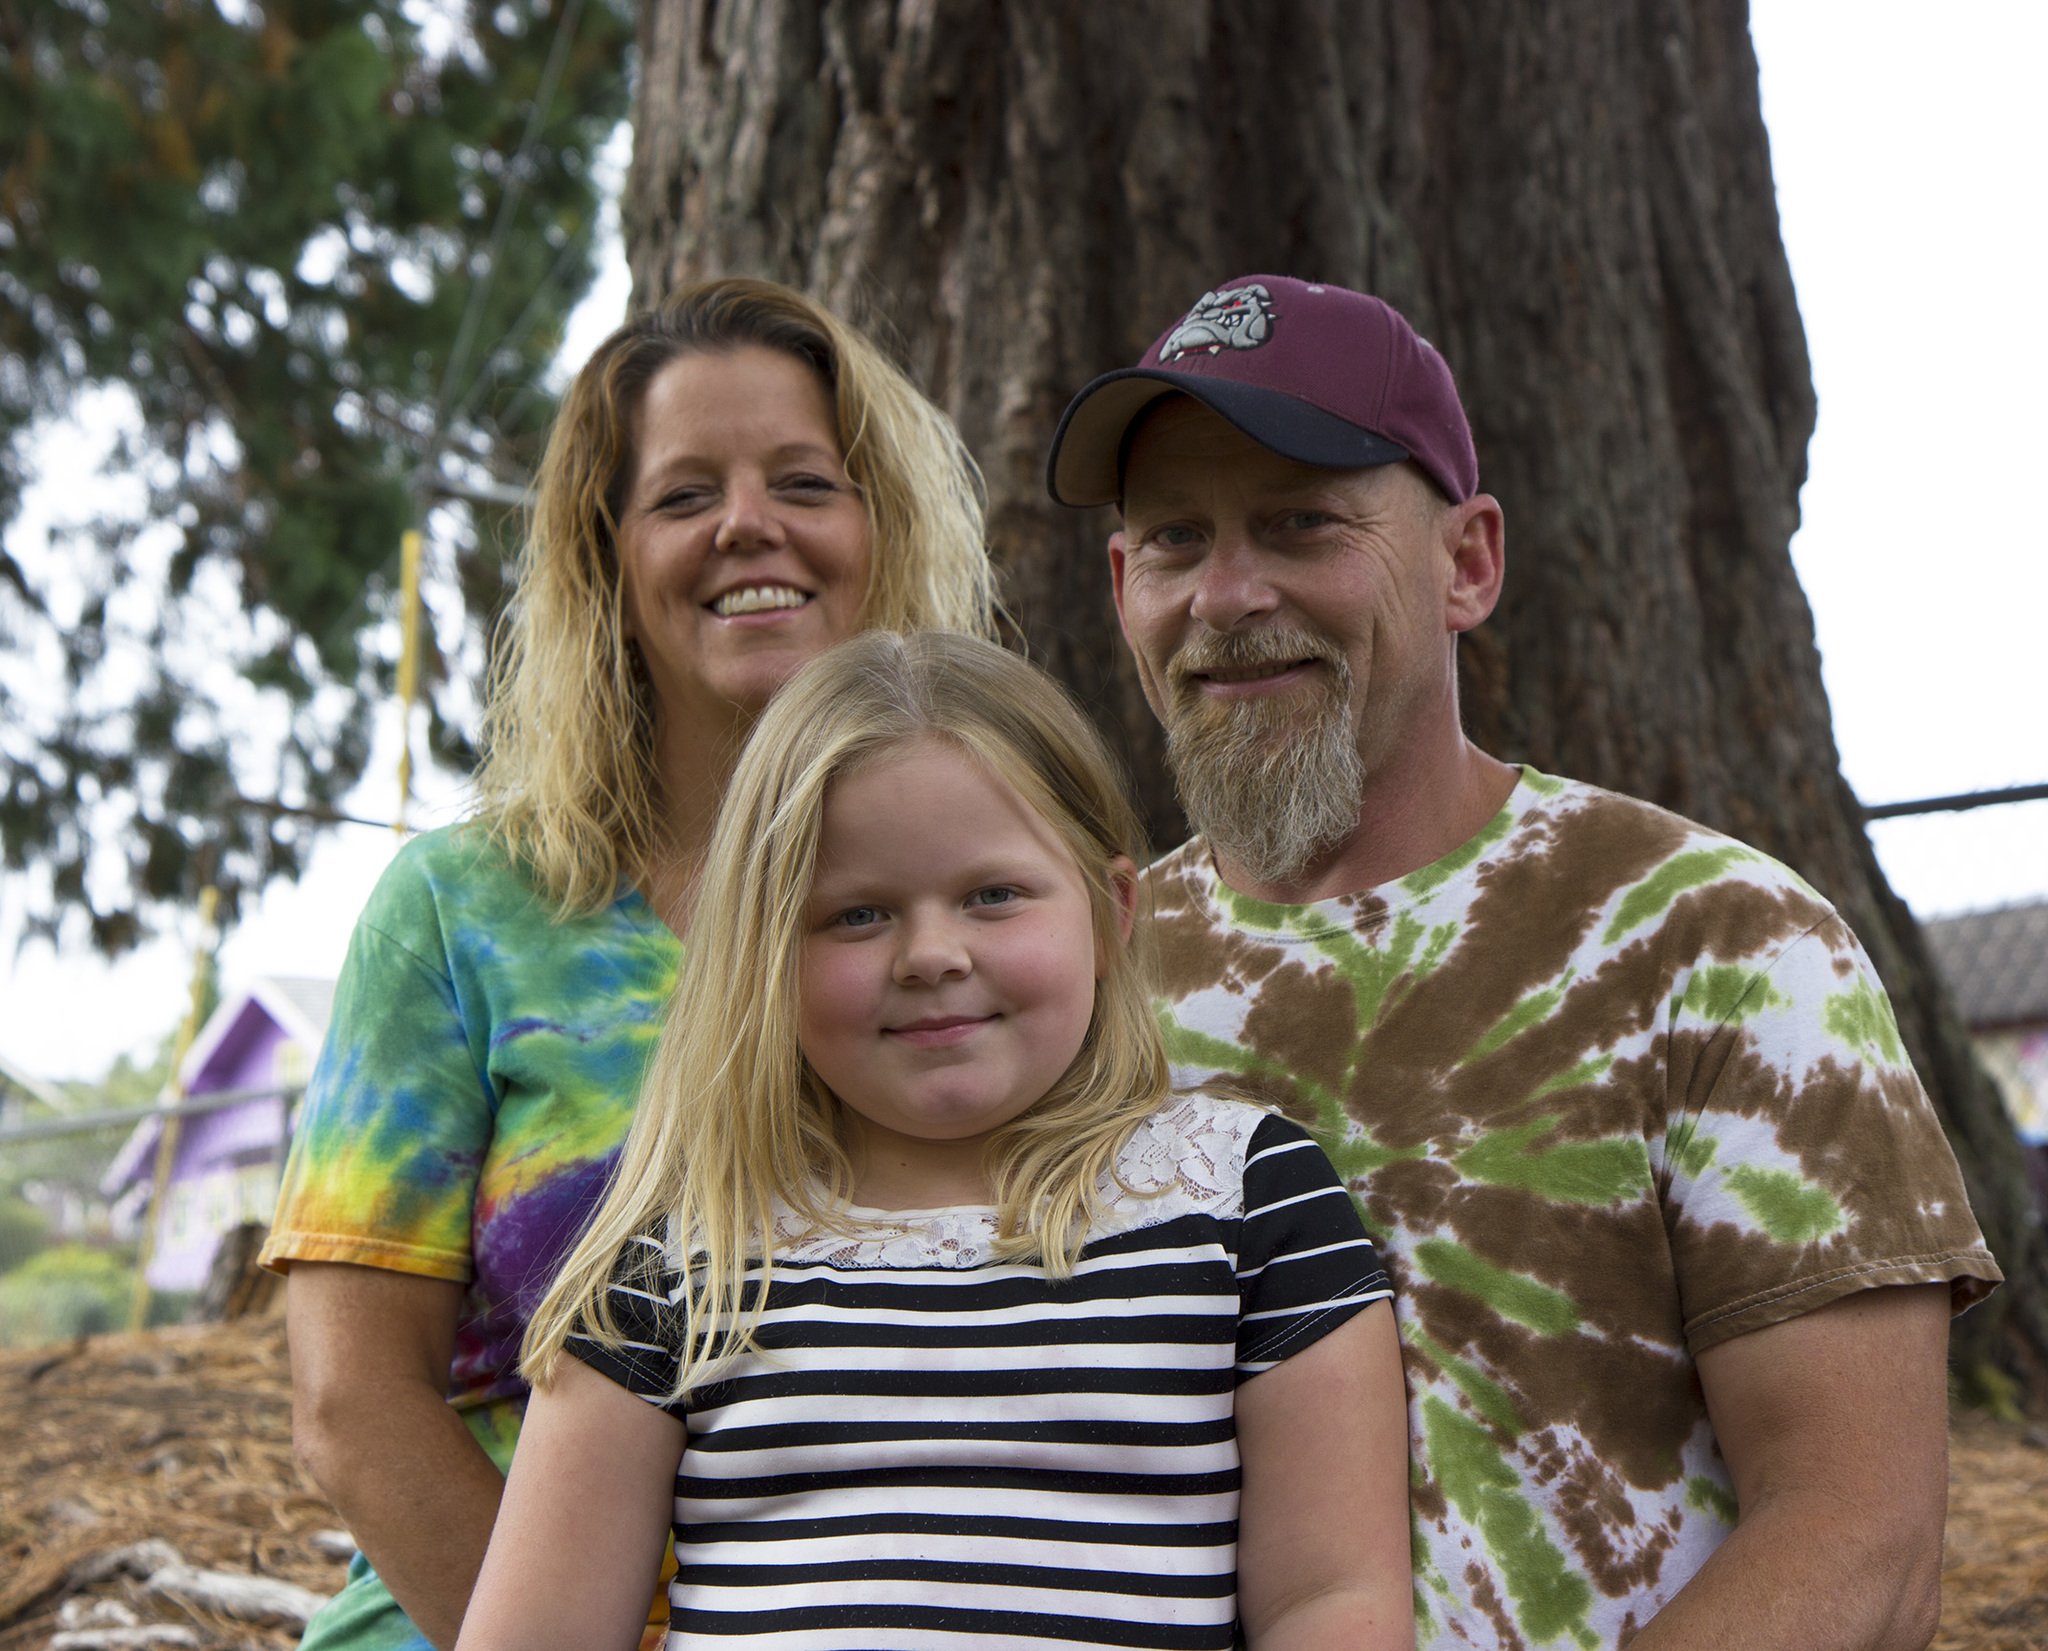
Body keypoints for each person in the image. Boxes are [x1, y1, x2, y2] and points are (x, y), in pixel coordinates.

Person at [1045, 274, 2003, 1651]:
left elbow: (1861, 1541)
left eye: (1300, 522)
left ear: (1468, 562)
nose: (1229, 593)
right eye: (1177, 538)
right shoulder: (1063, 988)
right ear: (1124, 586)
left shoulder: (1715, 940)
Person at [260, 277, 1000, 1651]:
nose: (746, 524)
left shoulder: (989, 911)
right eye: (680, 496)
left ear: (878, 526)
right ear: (606, 557)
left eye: (803, 479)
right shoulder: (461, 910)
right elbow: (352, 1404)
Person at [453, 630, 1412, 1651]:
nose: (931, 955)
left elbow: (1330, 1597)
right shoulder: (679, 1257)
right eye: (856, 915)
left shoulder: (1245, 1201)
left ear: (1111, 909)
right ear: (763, 952)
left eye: (992, 895)